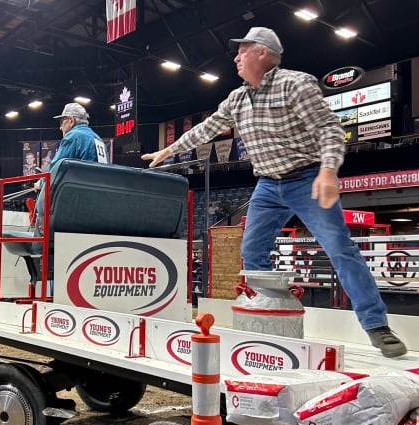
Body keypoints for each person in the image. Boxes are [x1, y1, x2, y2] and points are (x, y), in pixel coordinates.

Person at [141, 27, 406, 358]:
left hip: (306, 178)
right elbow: (205, 130)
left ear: (263, 53)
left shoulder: (296, 84)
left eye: (243, 50)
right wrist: (168, 152)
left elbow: (329, 129)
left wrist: (327, 170)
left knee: (341, 249)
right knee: (252, 253)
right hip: (267, 183)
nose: (236, 56)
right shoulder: (237, 98)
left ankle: (376, 325)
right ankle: (267, 318)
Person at [33, 102, 109, 192]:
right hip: (101, 191)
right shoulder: (98, 139)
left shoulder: (73, 136)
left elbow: (57, 168)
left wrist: (41, 183)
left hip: (81, 193)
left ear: (71, 120)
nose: (60, 127)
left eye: (62, 122)